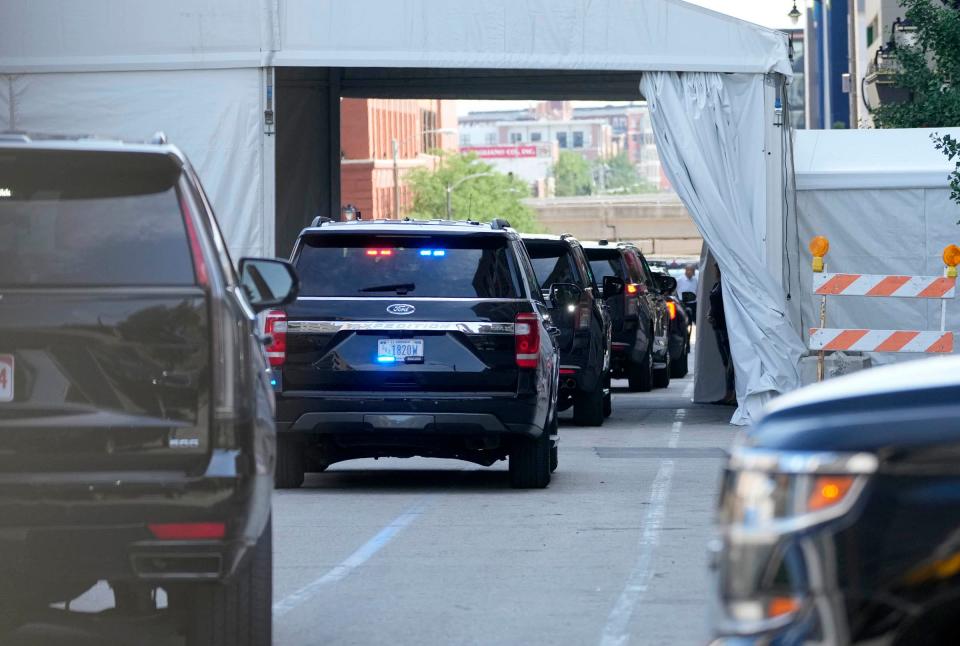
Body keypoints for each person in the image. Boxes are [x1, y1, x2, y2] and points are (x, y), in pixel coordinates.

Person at [708, 266, 736, 405]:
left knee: (731, 363)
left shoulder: (727, 285)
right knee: (726, 362)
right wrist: (710, 314)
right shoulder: (717, 285)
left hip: (725, 328)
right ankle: (729, 393)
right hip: (718, 326)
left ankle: (733, 393)